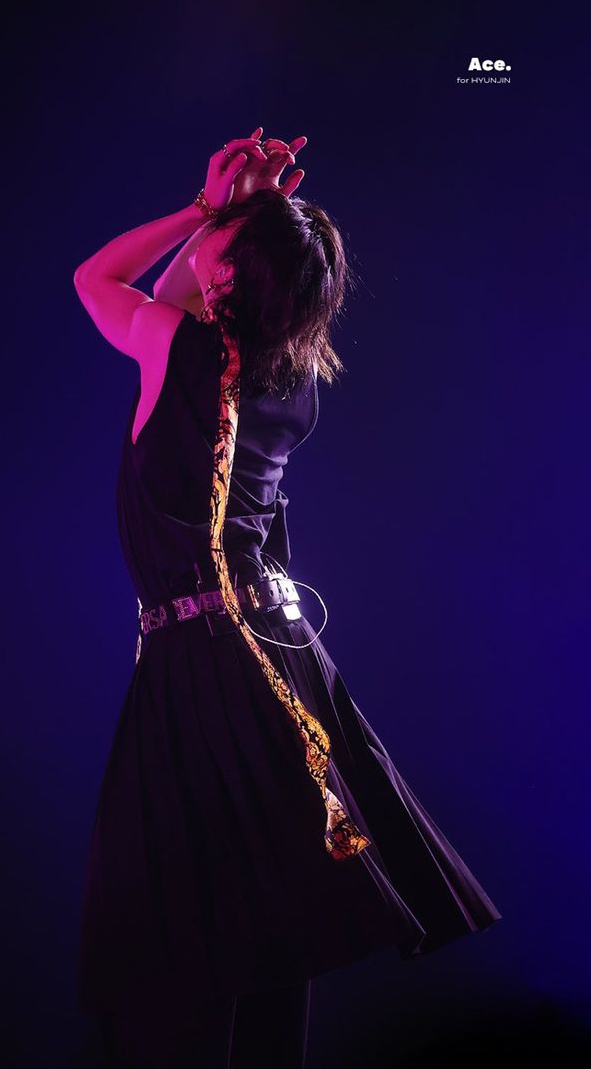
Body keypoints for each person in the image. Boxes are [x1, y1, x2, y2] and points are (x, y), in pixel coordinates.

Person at [72, 127, 502, 1068]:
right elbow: (191, 297)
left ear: (226, 278)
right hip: (283, 652)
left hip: (206, 664)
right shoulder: (294, 381)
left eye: (223, 244)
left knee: (200, 926)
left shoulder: (176, 349)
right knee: (274, 909)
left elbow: (97, 280)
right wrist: (232, 222)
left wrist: (203, 207)